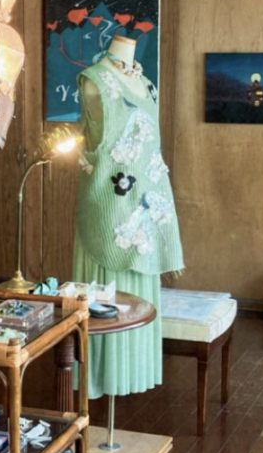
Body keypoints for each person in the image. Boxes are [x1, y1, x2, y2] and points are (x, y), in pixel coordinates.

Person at [74, 34, 184, 399]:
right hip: (108, 210)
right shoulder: (94, 80)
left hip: (145, 212)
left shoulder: (146, 82)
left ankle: (132, 377)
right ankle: (101, 380)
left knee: (138, 301)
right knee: (107, 301)